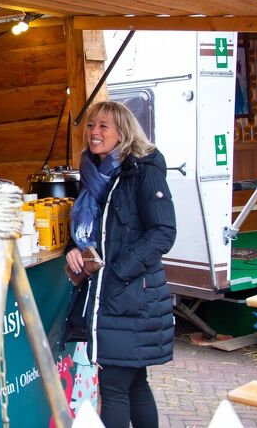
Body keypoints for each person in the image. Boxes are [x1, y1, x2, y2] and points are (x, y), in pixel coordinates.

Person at [61, 101, 176, 428]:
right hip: (111, 295)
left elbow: (163, 232)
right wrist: (75, 247)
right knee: (134, 382)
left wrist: (118, 270)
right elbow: (95, 229)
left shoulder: (143, 171)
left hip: (130, 295)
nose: (94, 133)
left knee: (113, 388)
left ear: (122, 133)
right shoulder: (93, 173)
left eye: (103, 127)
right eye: (91, 126)